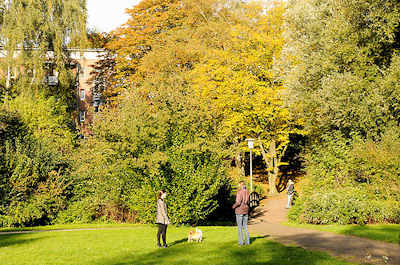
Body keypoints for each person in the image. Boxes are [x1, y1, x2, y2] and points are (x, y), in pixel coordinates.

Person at [232, 181, 250, 246]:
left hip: (239, 211)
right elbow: (248, 201)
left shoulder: (239, 192)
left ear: (241, 185)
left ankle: (241, 243)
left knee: (239, 227)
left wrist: (233, 206)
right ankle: (247, 242)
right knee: (245, 227)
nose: (238, 186)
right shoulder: (247, 191)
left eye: (238, 185)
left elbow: (238, 202)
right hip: (246, 210)